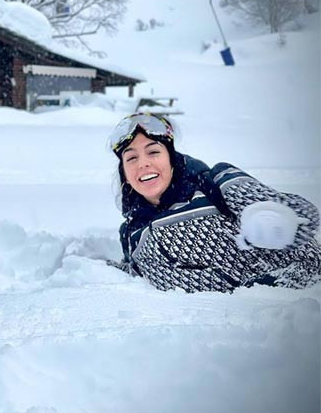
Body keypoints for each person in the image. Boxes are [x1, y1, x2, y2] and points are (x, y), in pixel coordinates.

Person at [109, 113, 320, 293]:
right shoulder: (131, 232)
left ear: (171, 159)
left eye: (153, 151)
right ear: (125, 173)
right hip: (233, 323)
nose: (143, 163)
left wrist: (272, 218)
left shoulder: (216, 183)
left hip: (301, 298)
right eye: (131, 158)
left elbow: (304, 217)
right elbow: (133, 280)